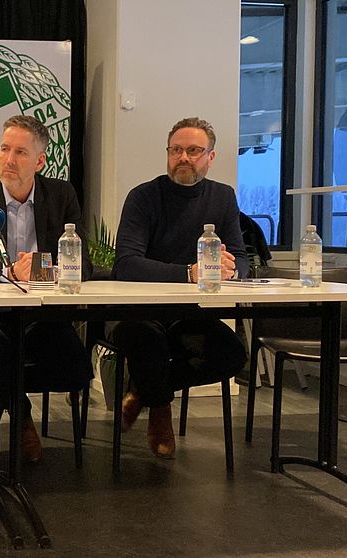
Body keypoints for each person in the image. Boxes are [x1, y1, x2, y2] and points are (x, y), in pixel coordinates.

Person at [0, 114, 93, 463]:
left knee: (76, 368)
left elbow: (82, 264)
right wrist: (9, 270)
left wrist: (41, 268)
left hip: (40, 312)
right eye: (4, 149)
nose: (8, 160)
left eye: (20, 153)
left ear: (40, 161)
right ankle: (21, 414)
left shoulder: (60, 195)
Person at [107, 116, 249, 459]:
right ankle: (160, 413)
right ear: (168, 153)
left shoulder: (223, 197)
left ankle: (145, 392)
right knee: (148, 340)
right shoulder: (143, 197)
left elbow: (241, 257)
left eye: (194, 150)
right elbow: (125, 263)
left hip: (187, 316)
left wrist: (231, 271)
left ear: (210, 158)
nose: (183, 157)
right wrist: (189, 273)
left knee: (231, 354)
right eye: (176, 150)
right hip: (136, 312)